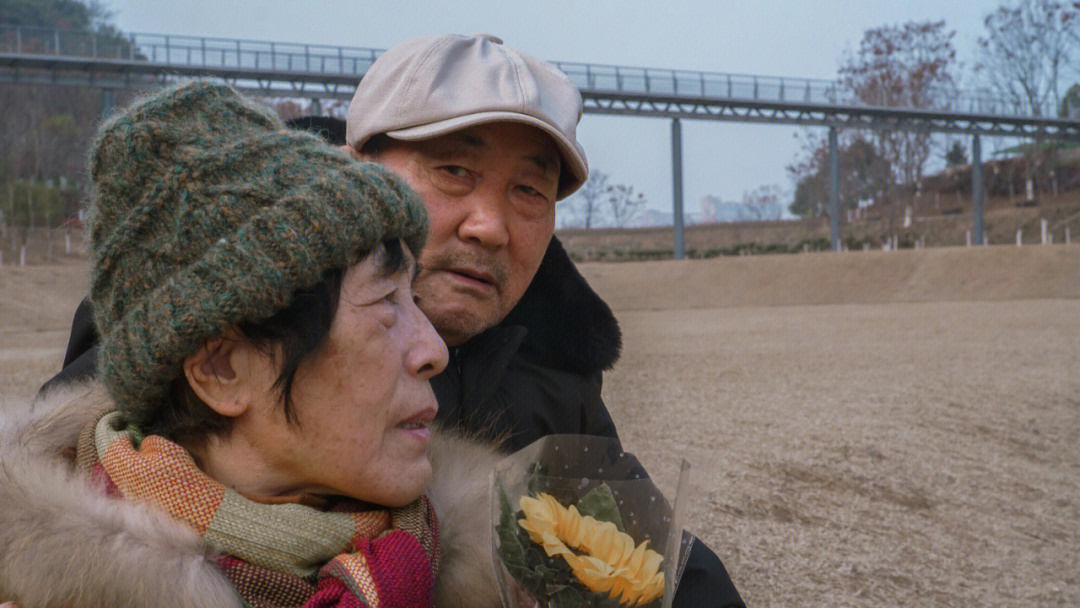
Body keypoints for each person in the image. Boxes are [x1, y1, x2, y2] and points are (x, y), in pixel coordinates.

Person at [40, 34, 744, 607]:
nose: (491, 225)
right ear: (353, 171)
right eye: (453, 172)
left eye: (529, 190)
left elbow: (660, 576)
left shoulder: (558, 386)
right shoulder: (182, 325)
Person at [0, 80, 470, 607]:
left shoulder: (515, 563)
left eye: (416, 298)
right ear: (222, 369)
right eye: (386, 303)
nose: (434, 349)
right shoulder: (39, 591)